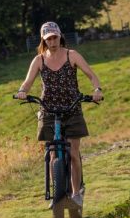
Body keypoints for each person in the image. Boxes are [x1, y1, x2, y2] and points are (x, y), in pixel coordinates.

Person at [13, 21, 103, 208]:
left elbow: (91, 74)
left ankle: (77, 193)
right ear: (43, 40)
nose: (52, 41)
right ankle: (57, 193)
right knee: (53, 153)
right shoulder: (39, 60)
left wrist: (97, 89)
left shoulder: (72, 55)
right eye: (48, 38)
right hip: (48, 111)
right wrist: (22, 91)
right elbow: (28, 82)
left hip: (72, 108)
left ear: (60, 36)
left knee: (73, 153)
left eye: (54, 37)